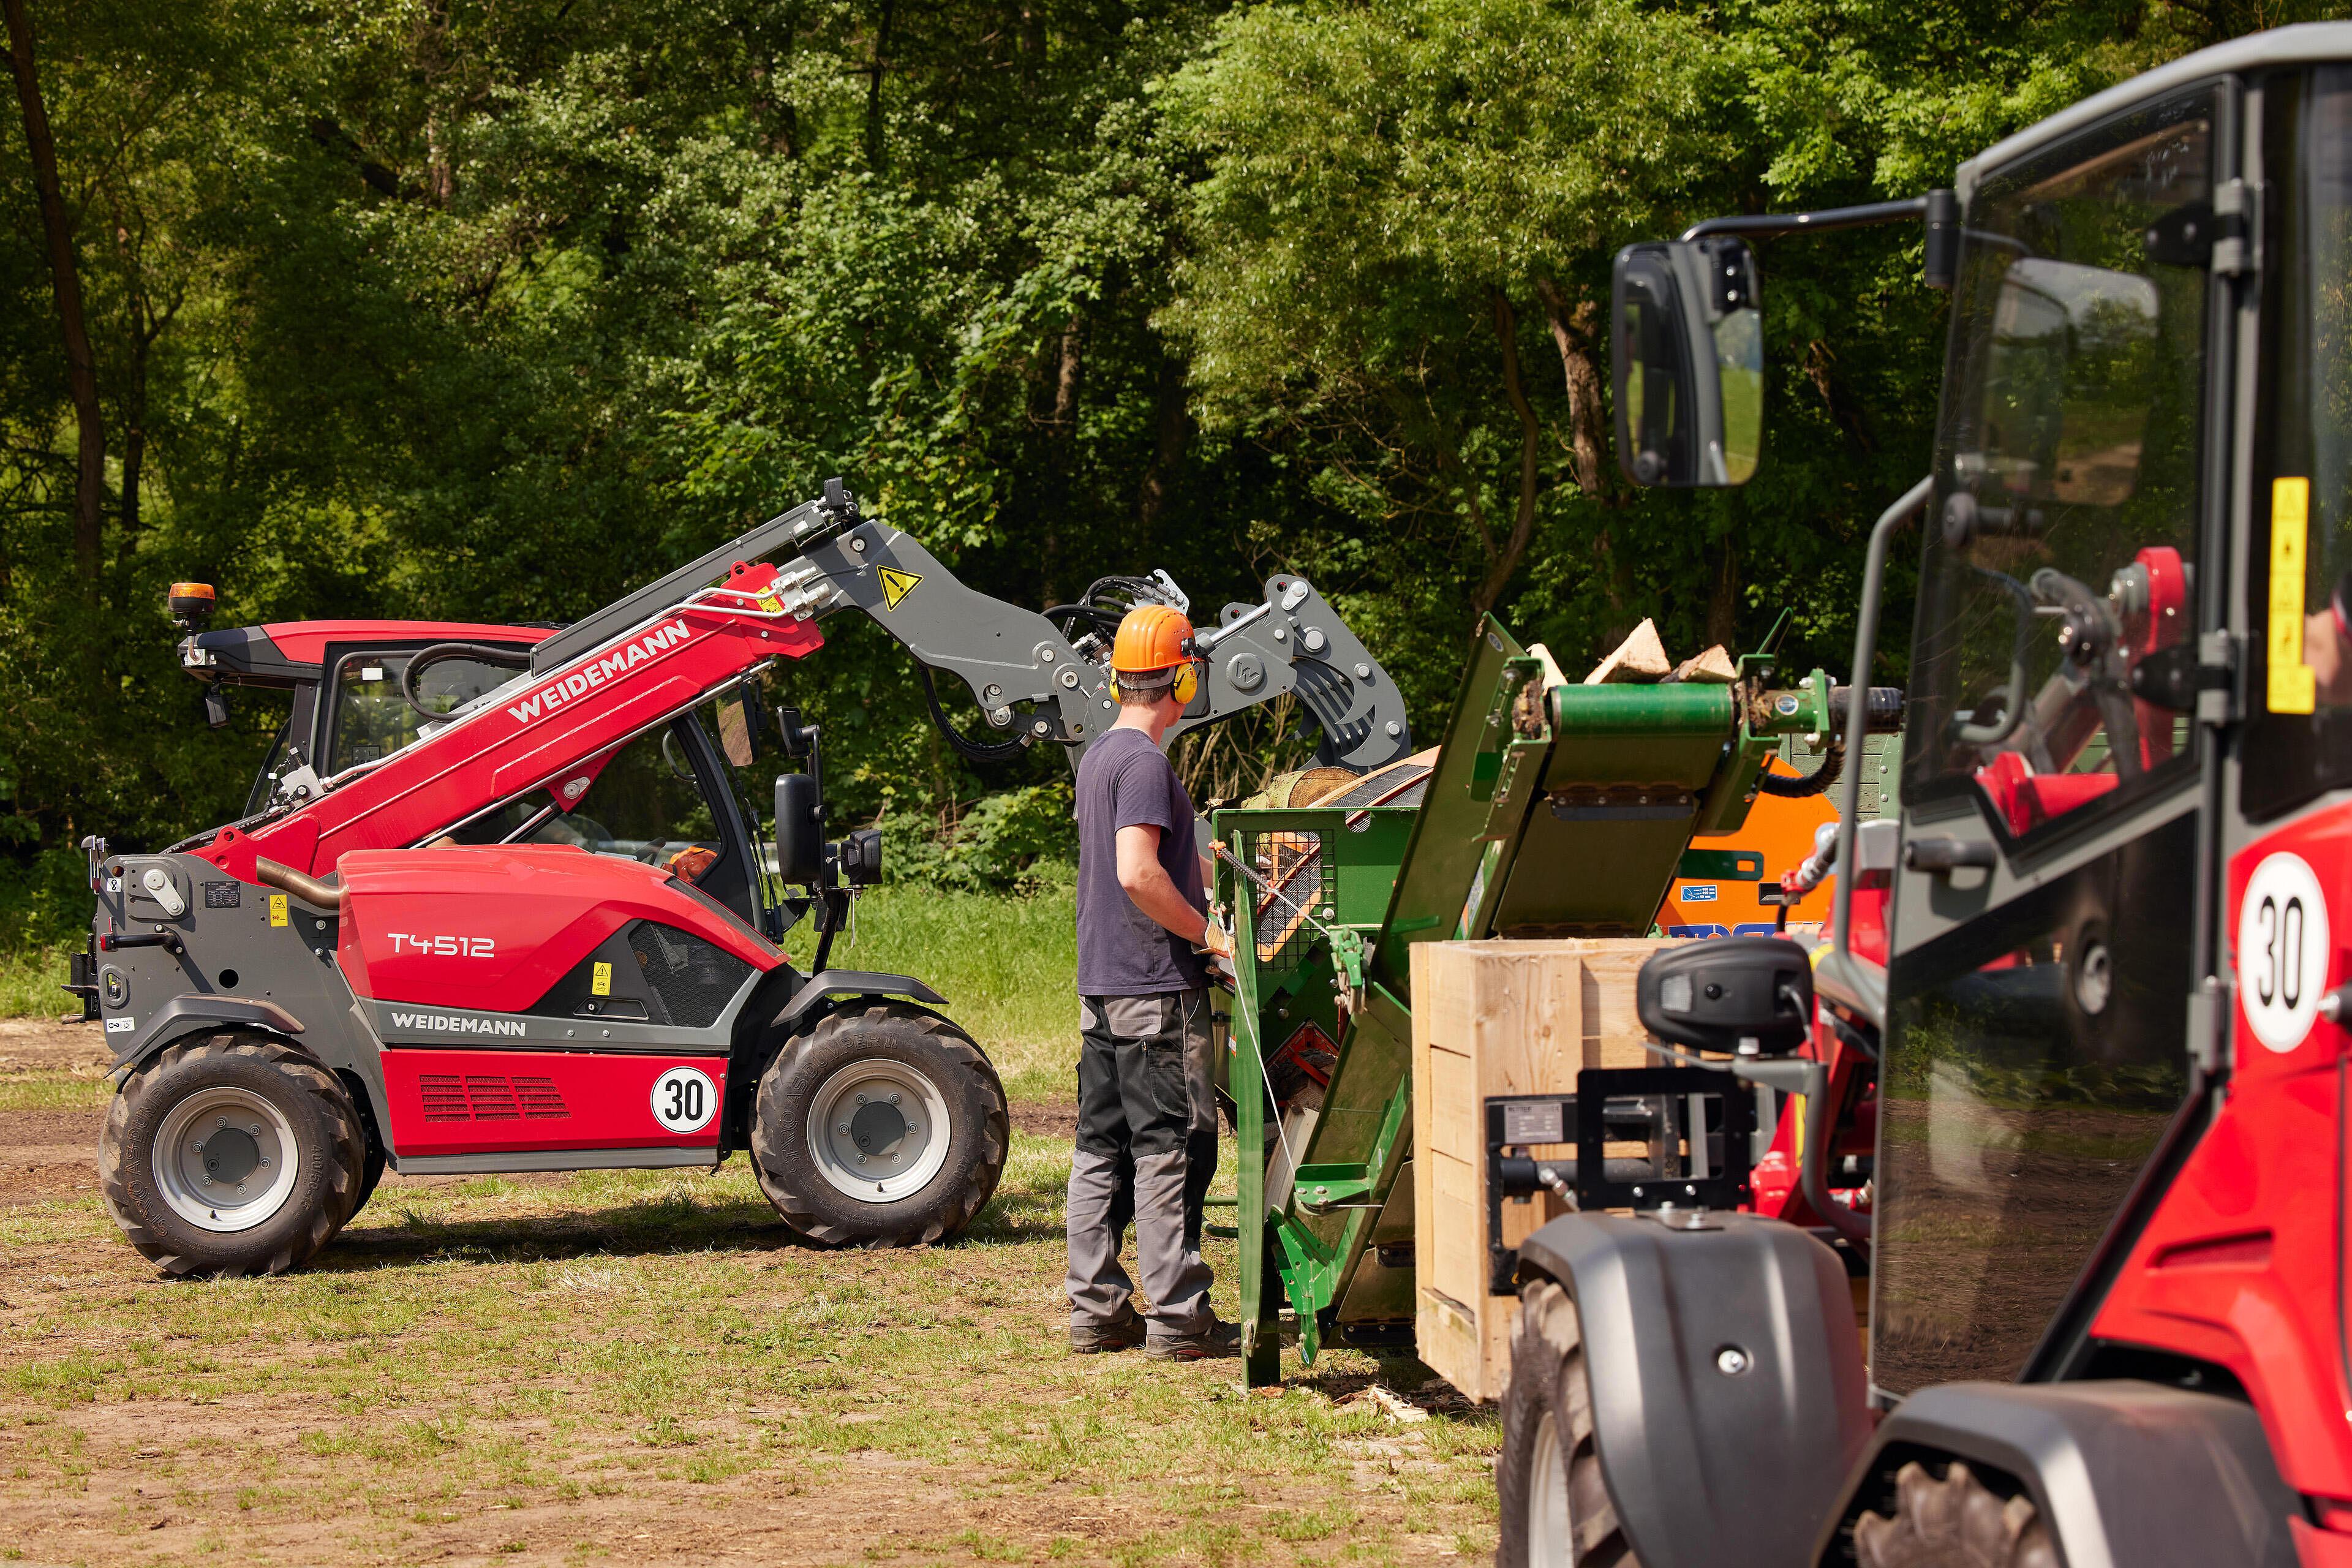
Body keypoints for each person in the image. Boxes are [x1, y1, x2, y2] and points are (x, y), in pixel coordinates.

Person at [1065, 602, 1237, 1360]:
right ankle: (1177, 1316)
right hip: (1152, 987)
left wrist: (1221, 873)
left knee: (1099, 1146)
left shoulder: (1101, 756)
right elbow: (1138, 874)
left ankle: (1097, 1309)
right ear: (1183, 678)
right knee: (1169, 1142)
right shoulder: (1145, 763)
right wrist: (1208, 933)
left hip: (1103, 985)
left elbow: (1151, 859)